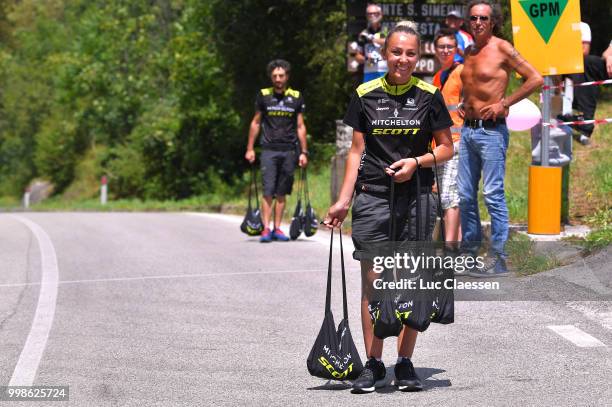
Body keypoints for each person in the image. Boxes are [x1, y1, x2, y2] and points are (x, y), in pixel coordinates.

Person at [323, 25, 454, 393]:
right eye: (396, 52)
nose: (403, 59)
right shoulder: (365, 94)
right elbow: (356, 152)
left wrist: (418, 161)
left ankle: (406, 362)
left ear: (418, 56)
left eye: (410, 53)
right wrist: (343, 200)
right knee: (374, 280)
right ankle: (374, 363)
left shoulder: (430, 95)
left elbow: (446, 148)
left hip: (417, 197)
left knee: (412, 280)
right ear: (385, 53)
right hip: (373, 196)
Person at [458, 0, 543, 276]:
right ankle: (469, 254)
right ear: (468, 21)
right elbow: (472, 84)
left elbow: (535, 78)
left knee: (492, 194)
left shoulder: (503, 47)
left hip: (491, 131)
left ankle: (499, 258)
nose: (478, 22)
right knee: (465, 195)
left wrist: (504, 103)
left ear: (493, 21)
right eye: (473, 18)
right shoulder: (469, 50)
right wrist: (463, 101)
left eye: (483, 17)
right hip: (468, 130)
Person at [245, 59, 308, 243]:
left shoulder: (296, 97)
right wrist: (250, 148)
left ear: (287, 76)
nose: (278, 79)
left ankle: (278, 228)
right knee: (267, 190)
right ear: (271, 78)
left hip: (289, 150)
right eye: (275, 76)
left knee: (282, 191)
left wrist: (304, 152)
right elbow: (256, 122)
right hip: (268, 151)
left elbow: (300, 126)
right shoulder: (263, 95)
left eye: (281, 76)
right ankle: (266, 229)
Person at [432, 28, 464, 243]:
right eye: (441, 47)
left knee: (450, 198)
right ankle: (455, 246)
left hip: (457, 143)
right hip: (440, 146)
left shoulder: (462, 71)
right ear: (435, 50)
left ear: (456, 49)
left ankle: (449, 251)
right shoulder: (438, 76)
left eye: (449, 47)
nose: (445, 50)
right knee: (445, 197)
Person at [566, 23, 611, 145]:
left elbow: (584, 49)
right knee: (587, 63)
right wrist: (609, 57)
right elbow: (606, 53)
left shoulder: (583, 27)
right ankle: (585, 122)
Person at [355, 3, 388, 83]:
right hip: (369, 73)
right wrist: (366, 59)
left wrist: (372, 39)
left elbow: (390, 43)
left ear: (381, 15)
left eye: (375, 13)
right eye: (370, 14)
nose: (372, 15)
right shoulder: (363, 33)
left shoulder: (387, 30)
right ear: (366, 16)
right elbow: (357, 56)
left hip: (386, 72)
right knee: (368, 95)